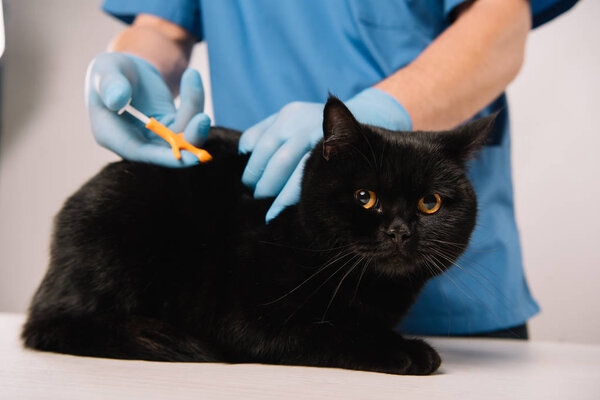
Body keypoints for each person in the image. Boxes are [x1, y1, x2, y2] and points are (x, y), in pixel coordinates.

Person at [87, 0, 578, 338]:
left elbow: (500, 22)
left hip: (451, 302)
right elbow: (160, 26)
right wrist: (128, 67)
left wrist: (385, 114)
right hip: (269, 280)